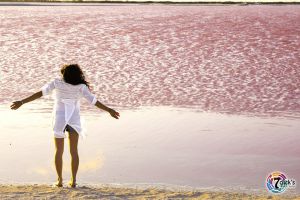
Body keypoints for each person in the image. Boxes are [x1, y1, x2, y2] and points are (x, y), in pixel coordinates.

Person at [10, 64, 120, 188]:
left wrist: (22, 102)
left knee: (58, 151)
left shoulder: (57, 83)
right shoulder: (81, 87)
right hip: (74, 120)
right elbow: (94, 102)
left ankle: (60, 181)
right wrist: (109, 110)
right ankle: (73, 181)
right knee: (74, 152)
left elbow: (39, 94)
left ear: (65, 75)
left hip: (59, 120)